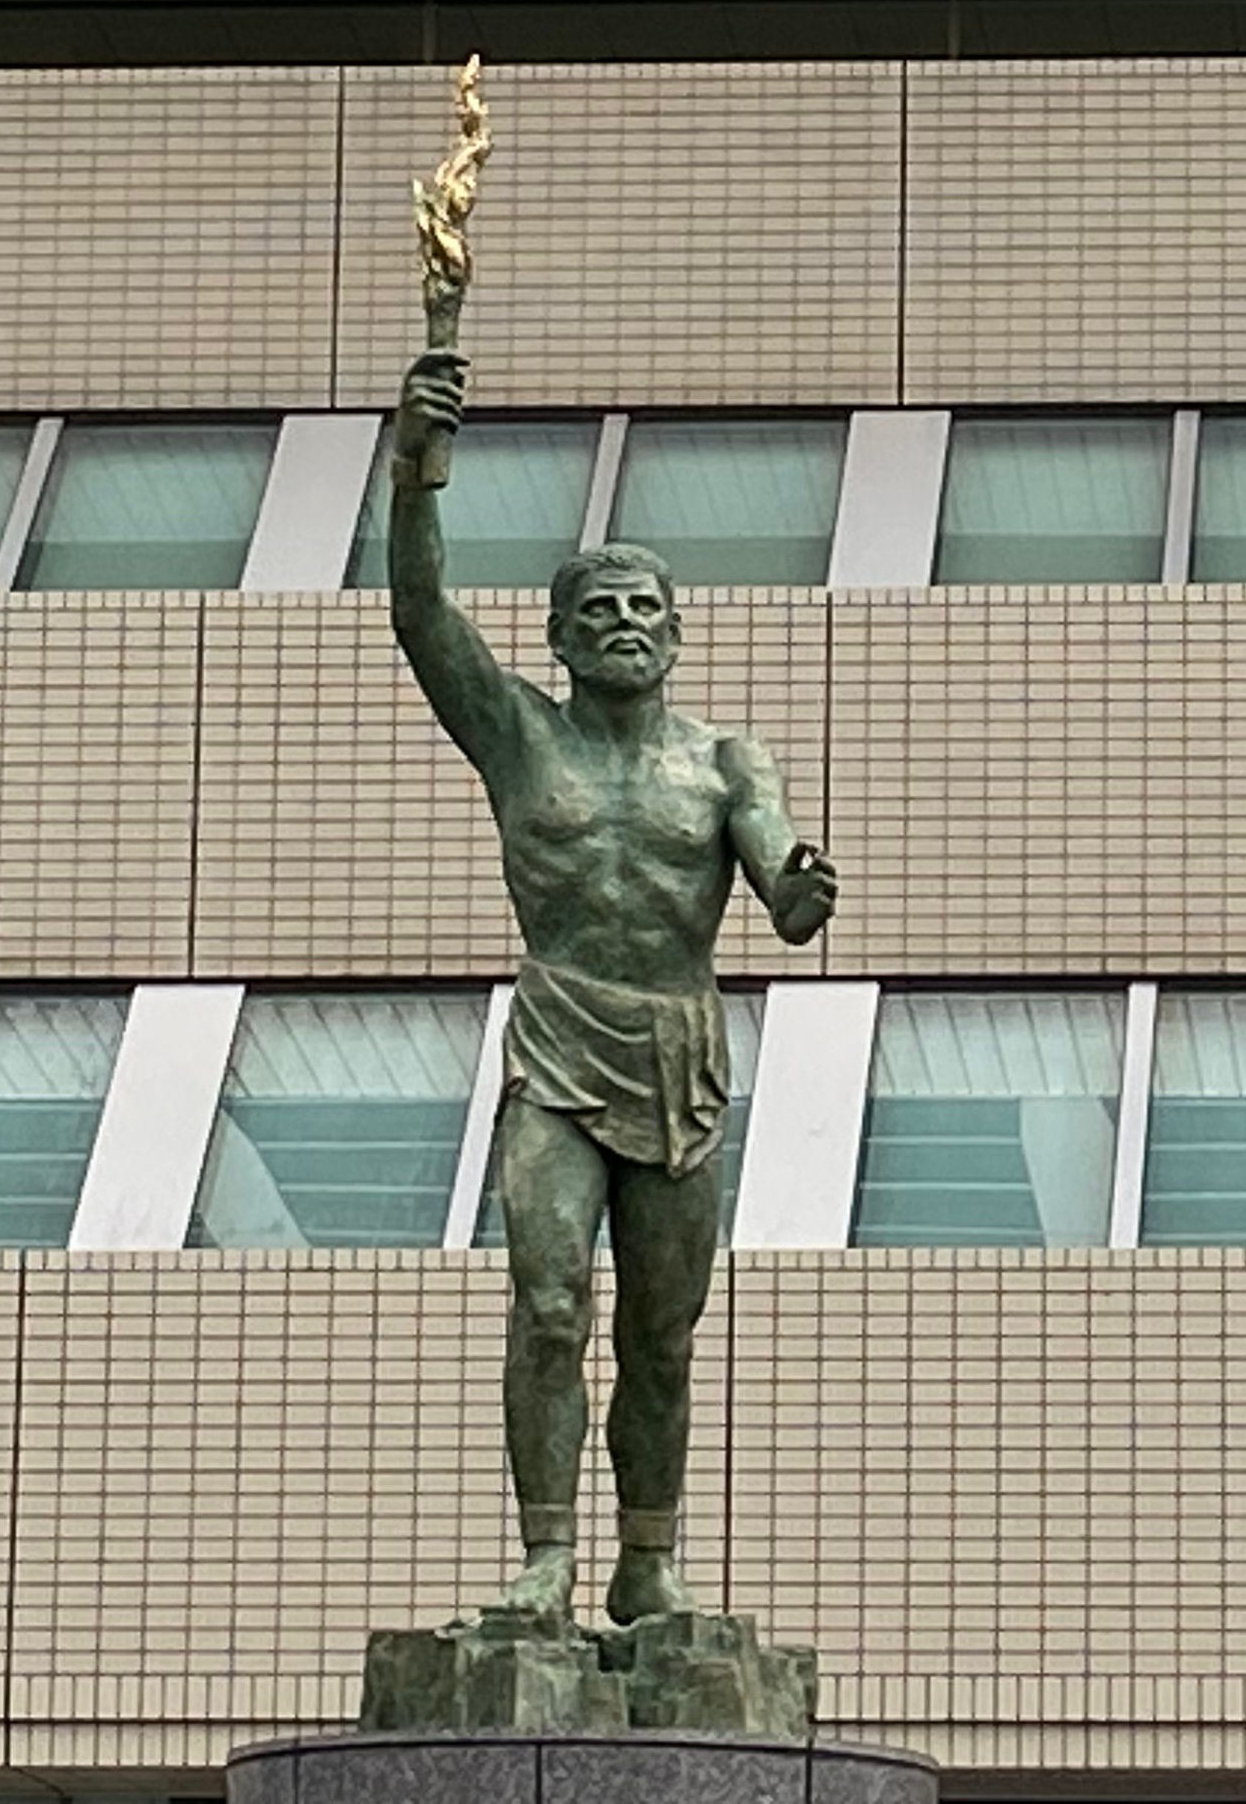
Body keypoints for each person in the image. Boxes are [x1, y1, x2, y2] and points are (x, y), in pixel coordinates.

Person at [386, 344, 838, 1626]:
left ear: (676, 634)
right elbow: (419, 612)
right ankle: (545, 1553)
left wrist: (797, 889)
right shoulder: (518, 733)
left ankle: (649, 1557)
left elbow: (775, 869)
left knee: (662, 1331)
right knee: (548, 1302)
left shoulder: (726, 762)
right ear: (561, 638)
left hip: (677, 1052)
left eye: (645, 610)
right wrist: (416, 464)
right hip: (559, 1039)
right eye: (598, 613)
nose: (624, 626)